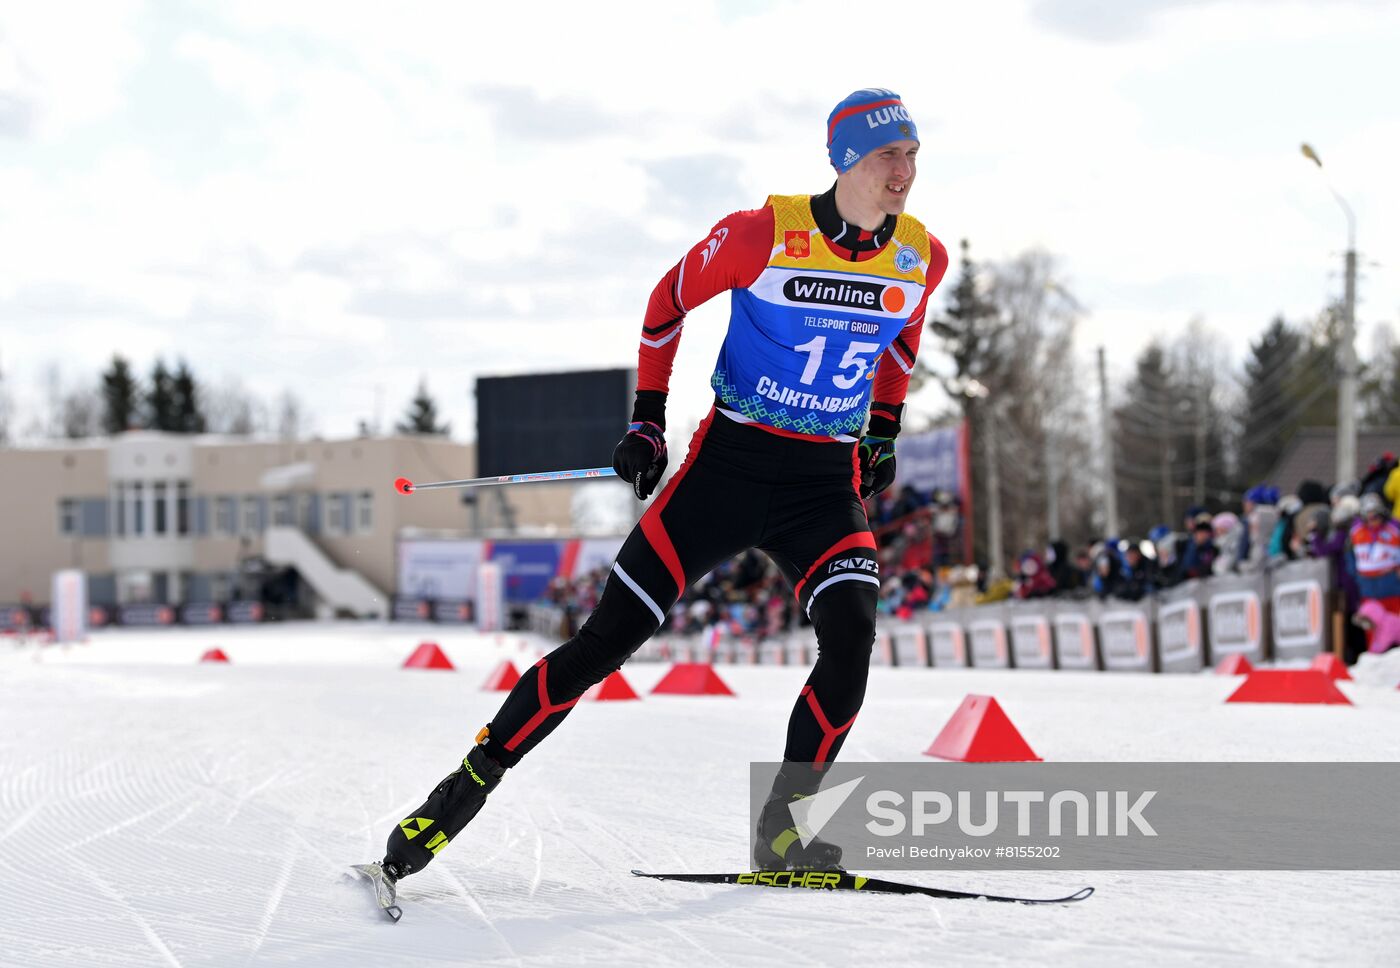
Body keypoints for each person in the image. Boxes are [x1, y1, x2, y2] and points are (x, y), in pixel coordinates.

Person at [367, 90, 949, 895]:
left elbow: (902, 339)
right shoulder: (761, 234)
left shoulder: (923, 255)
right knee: (604, 644)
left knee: (851, 634)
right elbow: (664, 305)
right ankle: (451, 800)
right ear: (848, 159)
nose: (906, 172)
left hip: (823, 481)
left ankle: (786, 836)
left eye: (914, 155)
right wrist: (648, 421)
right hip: (726, 470)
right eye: (891, 156)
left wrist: (883, 425)